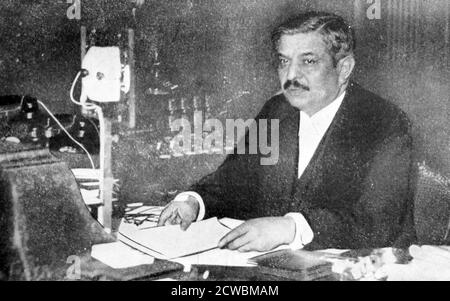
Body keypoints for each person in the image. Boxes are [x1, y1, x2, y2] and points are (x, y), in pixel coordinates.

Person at [158, 11, 416, 251]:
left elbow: (378, 224)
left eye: (308, 61)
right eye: (284, 61)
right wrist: (193, 201)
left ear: (344, 68)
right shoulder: (277, 109)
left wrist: (290, 228)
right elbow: (234, 179)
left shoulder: (386, 123)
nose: (291, 75)